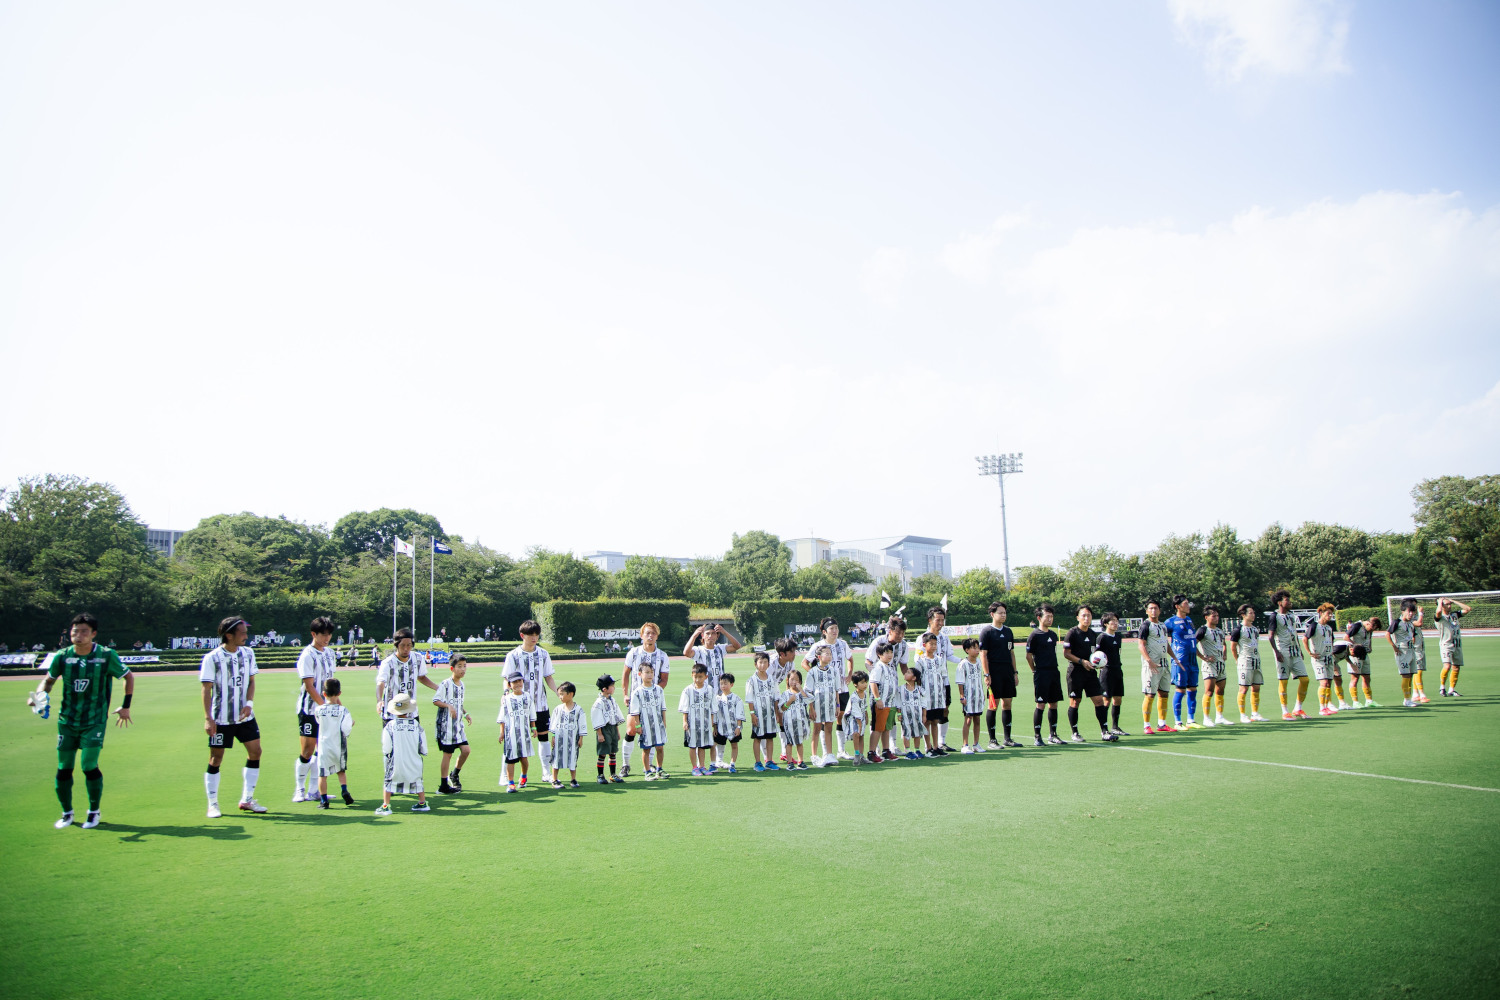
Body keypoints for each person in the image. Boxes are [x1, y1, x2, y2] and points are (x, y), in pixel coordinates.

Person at [38, 612, 133, 830]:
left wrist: (126, 706)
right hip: (67, 720)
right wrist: (38, 696)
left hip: (94, 720)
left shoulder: (106, 655)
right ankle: (67, 813)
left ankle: (93, 811)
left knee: (88, 765)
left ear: (93, 634)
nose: (78, 635)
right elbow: (48, 681)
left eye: (84, 631)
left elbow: (128, 676)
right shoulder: (62, 656)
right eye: (75, 631)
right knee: (64, 768)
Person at [201, 616, 265, 818]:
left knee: (256, 752)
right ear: (229, 635)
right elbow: (206, 689)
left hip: (245, 716)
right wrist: (208, 718)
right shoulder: (212, 658)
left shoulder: (248, 653)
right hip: (221, 718)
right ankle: (212, 804)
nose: (246, 636)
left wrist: (249, 704)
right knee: (216, 758)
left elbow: (252, 682)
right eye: (242, 633)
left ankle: (247, 799)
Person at [505, 621, 560, 782]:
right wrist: (505, 692)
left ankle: (546, 772)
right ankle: (507, 775)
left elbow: (548, 677)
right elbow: (507, 678)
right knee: (514, 739)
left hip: (540, 704)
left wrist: (557, 693)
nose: (534, 638)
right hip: (519, 706)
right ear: (522, 636)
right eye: (531, 635)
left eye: (536, 635)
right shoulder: (513, 655)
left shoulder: (543, 654)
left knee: (544, 737)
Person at [293, 616, 338, 803]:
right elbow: (310, 686)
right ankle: (299, 789)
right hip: (309, 710)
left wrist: (338, 708)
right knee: (307, 751)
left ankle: (315, 790)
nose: (327, 638)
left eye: (329, 635)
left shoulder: (329, 654)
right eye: (323, 635)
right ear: (314, 634)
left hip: (325, 709)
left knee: (323, 751)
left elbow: (330, 686)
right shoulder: (307, 655)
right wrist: (324, 707)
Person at [801, 618, 853, 759]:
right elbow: (804, 662)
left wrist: (849, 674)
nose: (835, 631)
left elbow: (850, 658)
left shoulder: (843, 644)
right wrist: (817, 676)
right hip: (823, 692)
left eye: (836, 628)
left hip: (840, 688)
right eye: (831, 629)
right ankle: (825, 752)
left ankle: (841, 750)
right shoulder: (819, 646)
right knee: (823, 720)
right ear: (824, 632)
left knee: (840, 717)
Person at [1061, 605, 1113, 743]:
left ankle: (1105, 731)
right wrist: (1081, 661)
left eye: (1088, 615)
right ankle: (1075, 732)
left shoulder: (1092, 634)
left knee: (1098, 700)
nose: (1086, 618)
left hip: (1090, 673)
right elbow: (1066, 653)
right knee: (1075, 702)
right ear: (1078, 617)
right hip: (1075, 673)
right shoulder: (1072, 633)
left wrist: (1097, 664)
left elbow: (1094, 655)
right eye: (1083, 615)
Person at [376, 692, 428, 815]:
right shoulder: (416, 725)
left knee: (388, 781)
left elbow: (386, 746)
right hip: (414, 760)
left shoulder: (390, 726)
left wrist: (387, 754)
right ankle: (422, 802)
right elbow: (423, 744)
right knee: (418, 781)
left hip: (396, 761)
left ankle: (386, 805)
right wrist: (423, 752)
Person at [979, 602, 1020, 748]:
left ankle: (1007, 738)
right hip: (994, 673)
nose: (1003, 615)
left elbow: (1012, 653)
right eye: (1000, 613)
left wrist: (1015, 672)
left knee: (1007, 703)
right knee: (993, 705)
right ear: (992, 614)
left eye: (1004, 613)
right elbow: (983, 655)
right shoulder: (987, 632)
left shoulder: (1008, 631)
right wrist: (986, 674)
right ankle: (992, 740)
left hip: (1007, 673)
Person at [376, 628, 439, 722]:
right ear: (396, 645)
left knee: (414, 736)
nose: (406, 649)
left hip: (411, 712)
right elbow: (381, 682)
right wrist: (379, 700)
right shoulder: (388, 663)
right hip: (392, 713)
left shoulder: (417, 658)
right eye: (402, 645)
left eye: (409, 645)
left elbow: (421, 677)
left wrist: (438, 688)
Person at [924, 606, 963, 751]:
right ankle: (928, 746)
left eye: (942, 620)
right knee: (928, 714)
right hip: (928, 683)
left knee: (944, 710)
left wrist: (963, 661)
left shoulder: (944, 638)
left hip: (943, 681)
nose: (940, 623)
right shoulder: (923, 637)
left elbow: (950, 655)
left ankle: (941, 742)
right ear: (930, 620)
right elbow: (918, 658)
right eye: (937, 620)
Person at [1026, 604, 1065, 747]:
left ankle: (1053, 734)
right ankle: (1037, 736)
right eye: (1047, 616)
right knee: (1040, 704)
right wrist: (1034, 670)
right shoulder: (1034, 635)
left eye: (1052, 616)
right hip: (1041, 672)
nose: (1050, 619)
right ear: (1039, 618)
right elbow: (1028, 656)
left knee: (1054, 703)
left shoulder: (1053, 635)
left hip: (1054, 671)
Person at [312, 677, 354, 809]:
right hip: (339, 745)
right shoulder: (343, 710)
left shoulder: (319, 710)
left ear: (324, 694)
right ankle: (344, 790)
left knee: (322, 774)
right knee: (341, 771)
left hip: (324, 745)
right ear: (339, 693)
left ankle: (324, 800)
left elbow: (318, 722)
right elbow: (346, 728)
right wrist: (351, 724)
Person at [1268, 590, 1309, 720]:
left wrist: (1300, 650)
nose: (1290, 602)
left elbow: (1294, 633)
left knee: (1305, 680)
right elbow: (1270, 637)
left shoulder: (1291, 616)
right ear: (1280, 603)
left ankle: (1298, 708)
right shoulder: (1274, 616)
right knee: (1283, 681)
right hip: (1283, 652)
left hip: (1295, 651)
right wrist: (1277, 652)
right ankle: (1285, 711)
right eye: (1287, 600)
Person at [433, 654, 471, 794]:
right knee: (447, 754)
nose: (463, 669)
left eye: (465, 666)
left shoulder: (462, 685)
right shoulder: (445, 684)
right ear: (452, 668)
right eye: (459, 666)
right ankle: (443, 786)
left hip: (458, 726)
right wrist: (448, 706)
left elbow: (459, 703)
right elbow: (436, 700)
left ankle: (454, 774)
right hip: (446, 726)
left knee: (466, 751)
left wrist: (465, 714)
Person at [1164, 595, 1202, 730]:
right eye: (1186, 603)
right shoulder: (1170, 622)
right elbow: (1161, 639)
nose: (1188, 606)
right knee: (1180, 689)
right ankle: (1177, 722)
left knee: (1193, 688)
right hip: (1180, 661)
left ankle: (1191, 720)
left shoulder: (1190, 620)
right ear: (1178, 606)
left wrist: (1202, 656)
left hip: (1192, 660)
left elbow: (1192, 641)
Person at [1137, 600, 1174, 733]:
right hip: (1151, 666)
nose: (1153, 611)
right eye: (1151, 608)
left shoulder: (1163, 626)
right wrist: (1149, 661)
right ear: (1147, 611)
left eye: (1156, 608)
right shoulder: (1145, 625)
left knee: (1164, 693)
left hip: (1164, 665)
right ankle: (1146, 725)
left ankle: (1162, 724)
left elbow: (1166, 643)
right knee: (1150, 695)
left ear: (1159, 610)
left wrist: (1175, 658)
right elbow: (1141, 645)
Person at [497, 671, 536, 792]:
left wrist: (533, 728)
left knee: (524, 758)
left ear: (523, 682)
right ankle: (511, 783)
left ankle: (523, 777)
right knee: (511, 759)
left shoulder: (527, 696)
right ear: (509, 685)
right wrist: (502, 732)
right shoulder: (507, 699)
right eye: (514, 682)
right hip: (511, 734)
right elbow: (502, 717)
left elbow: (531, 713)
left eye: (519, 681)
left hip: (524, 734)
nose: (517, 684)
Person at [805, 644, 842, 766]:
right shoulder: (812, 672)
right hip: (817, 705)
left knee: (829, 728)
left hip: (830, 704)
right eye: (827, 654)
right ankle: (814, 755)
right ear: (819, 656)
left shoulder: (834, 671)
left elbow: (837, 689)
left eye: (830, 654)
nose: (829, 656)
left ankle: (829, 754)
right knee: (816, 729)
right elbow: (808, 691)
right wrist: (811, 708)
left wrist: (838, 705)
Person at [1304, 603, 1344, 716]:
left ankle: (1327, 706)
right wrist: (1310, 652)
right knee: (1324, 682)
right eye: (1328, 613)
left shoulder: (1329, 628)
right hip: (1319, 659)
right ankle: (1322, 708)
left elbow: (1331, 641)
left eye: (1331, 614)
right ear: (1321, 613)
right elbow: (1305, 639)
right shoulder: (1314, 626)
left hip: (1329, 658)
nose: (1330, 616)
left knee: (1329, 683)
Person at [913, 631, 949, 756]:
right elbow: (917, 680)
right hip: (926, 698)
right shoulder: (920, 661)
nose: (933, 646)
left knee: (935, 722)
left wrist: (944, 696)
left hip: (938, 698)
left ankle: (936, 746)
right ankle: (928, 747)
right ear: (924, 645)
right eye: (931, 644)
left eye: (935, 644)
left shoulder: (939, 660)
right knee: (926, 722)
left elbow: (944, 677)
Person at [746, 652, 782, 771]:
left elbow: (776, 697)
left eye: (765, 662)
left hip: (770, 714)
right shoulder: (751, 680)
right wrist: (752, 714)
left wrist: (777, 713)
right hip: (758, 714)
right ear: (755, 664)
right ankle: (758, 762)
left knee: (770, 737)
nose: (762, 665)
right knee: (757, 738)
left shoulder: (772, 679)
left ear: (768, 664)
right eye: (760, 662)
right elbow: (749, 699)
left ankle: (769, 761)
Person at [1195, 605, 1231, 727]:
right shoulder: (1203, 630)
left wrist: (1225, 654)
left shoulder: (1220, 631)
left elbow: (1224, 644)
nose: (1216, 618)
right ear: (1206, 617)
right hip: (1209, 665)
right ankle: (1206, 718)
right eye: (1213, 616)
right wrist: (1203, 657)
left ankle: (1220, 717)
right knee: (1209, 691)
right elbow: (1192, 645)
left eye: (1217, 615)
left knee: (1220, 691)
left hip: (1221, 664)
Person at [867, 639, 902, 762]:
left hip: (890, 702)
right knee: (878, 728)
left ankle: (886, 750)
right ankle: (871, 752)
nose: (889, 655)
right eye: (886, 652)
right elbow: (873, 683)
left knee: (887, 727)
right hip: (881, 703)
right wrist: (877, 699)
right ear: (879, 655)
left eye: (891, 652)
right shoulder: (878, 667)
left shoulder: (890, 667)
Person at [678, 663, 716, 777]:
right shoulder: (687, 690)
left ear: (706, 677)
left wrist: (712, 723)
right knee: (693, 745)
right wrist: (684, 721)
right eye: (695, 677)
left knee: (702, 745)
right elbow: (685, 707)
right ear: (692, 676)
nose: (698, 679)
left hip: (705, 723)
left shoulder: (709, 689)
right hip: (692, 723)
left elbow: (713, 707)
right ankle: (694, 767)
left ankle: (702, 766)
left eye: (700, 677)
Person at [621, 622, 672, 706]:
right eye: (647, 633)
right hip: (635, 698)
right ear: (641, 635)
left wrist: (652, 692)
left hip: (654, 700)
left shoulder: (663, 656)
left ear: (657, 636)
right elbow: (626, 674)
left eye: (653, 633)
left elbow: (664, 679)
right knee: (632, 719)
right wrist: (625, 695)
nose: (650, 636)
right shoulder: (633, 653)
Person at [1230, 605, 1266, 723]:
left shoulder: (1255, 629)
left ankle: (1255, 713)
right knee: (1244, 689)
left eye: (1253, 612)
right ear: (1243, 615)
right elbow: (1233, 647)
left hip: (1256, 661)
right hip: (1245, 662)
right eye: (1250, 613)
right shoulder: (1238, 629)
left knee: (1256, 688)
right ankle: (1243, 715)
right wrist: (1237, 659)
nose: (1253, 615)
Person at [685, 623, 743, 696]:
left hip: (720, 693)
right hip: (703, 692)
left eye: (713, 633)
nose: (710, 636)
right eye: (707, 633)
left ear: (717, 636)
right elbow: (686, 652)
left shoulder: (720, 648)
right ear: (703, 635)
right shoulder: (698, 650)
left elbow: (737, 646)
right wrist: (694, 635)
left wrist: (724, 632)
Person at [1095, 613, 1128, 735]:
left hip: (1117, 670)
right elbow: (1096, 655)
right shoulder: (1102, 637)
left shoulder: (1118, 637)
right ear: (1105, 624)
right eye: (1112, 621)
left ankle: (1115, 727)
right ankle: (1104, 728)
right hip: (1106, 672)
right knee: (1106, 700)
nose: (1115, 623)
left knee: (1118, 699)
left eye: (1116, 621)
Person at [591, 674, 626, 784]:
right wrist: (600, 734)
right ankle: (600, 775)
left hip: (612, 728)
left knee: (612, 752)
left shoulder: (612, 700)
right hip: (604, 729)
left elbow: (615, 715)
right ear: (604, 689)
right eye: (612, 685)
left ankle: (613, 774)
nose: (614, 687)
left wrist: (617, 731)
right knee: (602, 753)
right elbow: (597, 718)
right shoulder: (598, 703)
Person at [549, 682, 585, 789]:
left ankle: (573, 779)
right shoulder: (558, 709)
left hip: (572, 739)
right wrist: (553, 736)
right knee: (556, 758)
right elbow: (554, 724)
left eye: (562, 694)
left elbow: (582, 724)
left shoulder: (578, 710)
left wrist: (581, 738)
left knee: (573, 758)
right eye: (559, 694)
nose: (560, 697)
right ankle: (554, 779)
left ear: (570, 694)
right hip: (560, 739)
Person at [954, 639, 986, 753]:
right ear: (967, 650)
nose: (977, 650)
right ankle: (965, 745)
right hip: (969, 696)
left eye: (978, 648)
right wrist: (962, 696)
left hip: (978, 696)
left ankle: (976, 744)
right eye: (974, 648)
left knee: (977, 719)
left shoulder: (978, 662)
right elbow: (960, 682)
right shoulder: (963, 664)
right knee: (968, 720)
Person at [1388, 600, 1421, 706]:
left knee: (1410, 675)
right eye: (1409, 611)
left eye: (1413, 612)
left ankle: (1409, 699)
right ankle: (1406, 700)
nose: (1411, 614)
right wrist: (1394, 646)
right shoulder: (1397, 622)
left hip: (1411, 651)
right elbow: (1387, 634)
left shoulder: (1411, 624)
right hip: (1402, 651)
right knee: (1405, 676)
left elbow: (1414, 634)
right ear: (1403, 611)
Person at [1344, 614, 1381, 708]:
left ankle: (1369, 701)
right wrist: (1356, 646)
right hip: (1355, 655)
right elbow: (1346, 637)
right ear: (1368, 624)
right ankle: (1355, 702)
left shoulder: (1370, 630)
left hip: (1365, 655)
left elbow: (1369, 638)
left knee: (1367, 677)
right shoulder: (1357, 626)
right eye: (1373, 628)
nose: (1372, 631)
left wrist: (1370, 647)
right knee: (1355, 678)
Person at [1436, 596, 1470, 696]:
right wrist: (1439, 603)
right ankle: (1442, 687)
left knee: (1456, 667)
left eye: (1450, 604)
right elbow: (1438, 613)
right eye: (1447, 604)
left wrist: (1454, 601)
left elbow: (1468, 609)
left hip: (1457, 644)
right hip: (1446, 645)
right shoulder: (1440, 617)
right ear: (1442, 606)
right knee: (1447, 666)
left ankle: (1452, 689)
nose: (1449, 606)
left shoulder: (1454, 615)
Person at [778, 670, 813, 769]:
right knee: (789, 742)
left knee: (799, 742)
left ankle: (800, 761)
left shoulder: (802, 694)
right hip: (789, 723)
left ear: (800, 682)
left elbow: (809, 700)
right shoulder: (785, 694)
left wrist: (801, 690)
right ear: (788, 680)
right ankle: (790, 762)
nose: (794, 682)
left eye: (797, 680)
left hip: (801, 722)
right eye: (792, 679)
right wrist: (789, 701)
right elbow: (782, 708)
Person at [713, 672, 746, 773]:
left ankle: (732, 764)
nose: (723, 686)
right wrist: (714, 727)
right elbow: (714, 713)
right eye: (721, 683)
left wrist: (738, 727)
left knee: (734, 745)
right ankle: (715, 763)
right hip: (720, 727)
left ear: (731, 684)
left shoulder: (736, 699)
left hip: (733, 727)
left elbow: (739, 714)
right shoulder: (717, 699)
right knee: (714, 744)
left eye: (725, 683)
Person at [896, 666, 928, 760]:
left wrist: (924, 715)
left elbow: (924, 703)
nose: (905, 674)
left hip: (917, 715)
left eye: (908, 672)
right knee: (906, 732)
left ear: (914, 678)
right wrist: (899, 714)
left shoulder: (920, 690)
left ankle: (917, 749)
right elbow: (898, 702)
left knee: (917, 732)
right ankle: (908, 751)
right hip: (905, 715)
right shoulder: (900, 689)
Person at [843, 670, 870, 765]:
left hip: (861, 717)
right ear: (855, 684)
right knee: (856, 734)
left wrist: (866, 716)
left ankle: (862, 755)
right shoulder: (854, 697)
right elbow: (855, 711)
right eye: (862, 682)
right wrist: (859, 724)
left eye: (865, 682)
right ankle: (857, 754)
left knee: (861, 735)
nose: (865, 684)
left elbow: (864, 705)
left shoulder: (865, 693)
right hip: (854, 719)